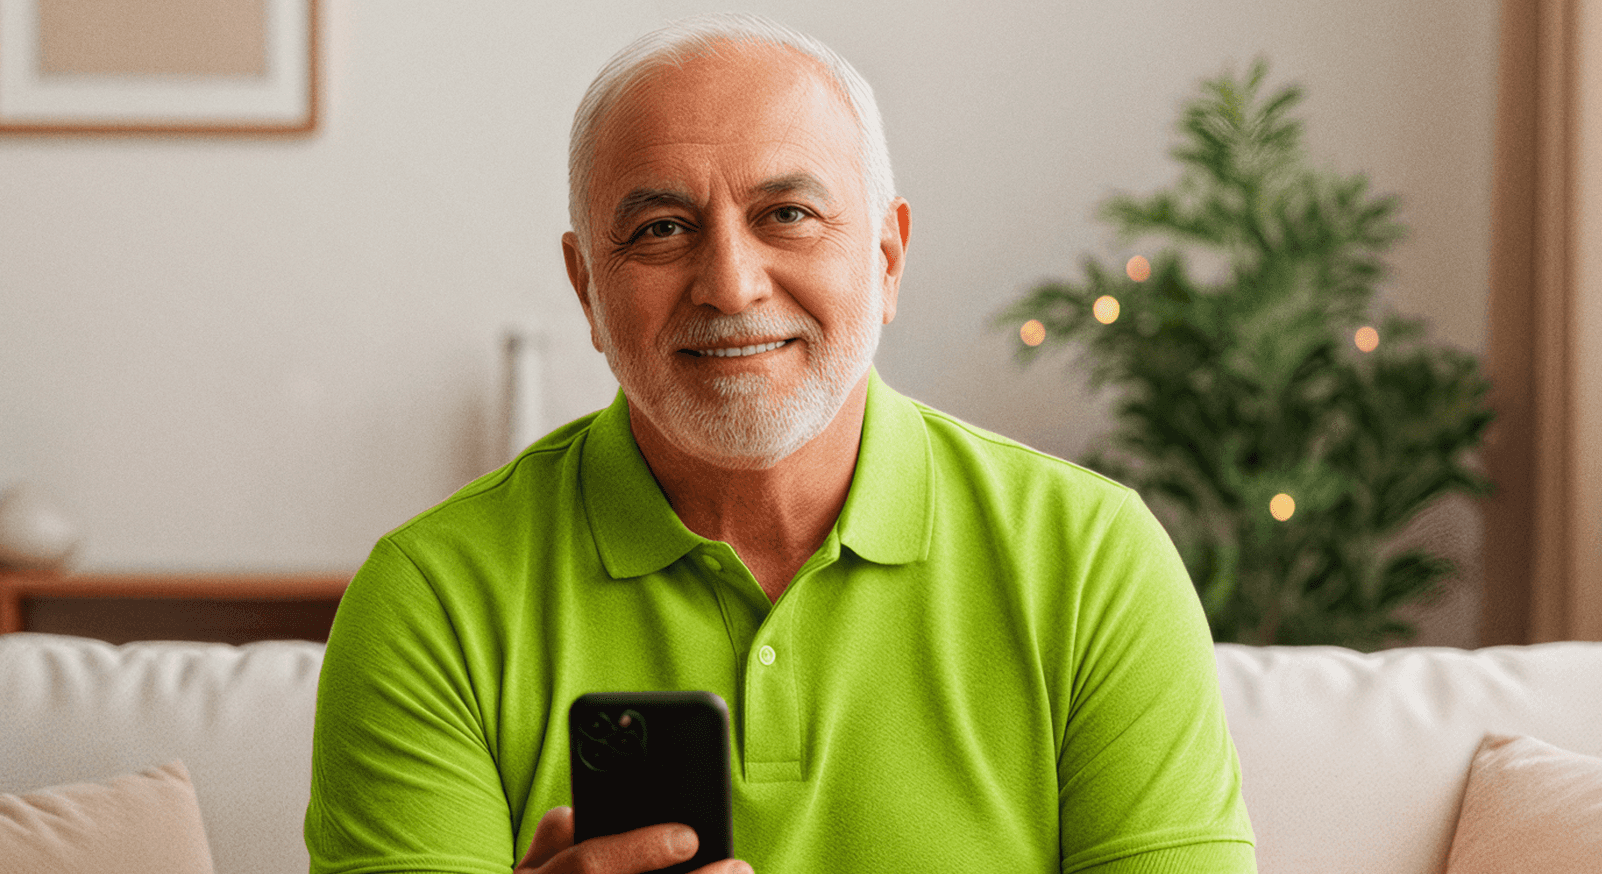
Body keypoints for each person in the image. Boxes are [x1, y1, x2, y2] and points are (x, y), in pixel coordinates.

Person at [304, 13, 1256, 874]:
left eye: (786, 215)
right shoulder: (428, 601)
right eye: (662, 228)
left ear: (886, 257)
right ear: (587, 288)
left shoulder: (1094, 561)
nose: (730, 282)